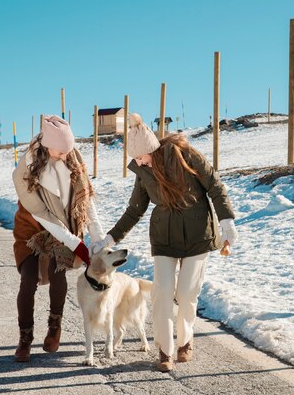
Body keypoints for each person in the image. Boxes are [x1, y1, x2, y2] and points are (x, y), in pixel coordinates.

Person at [90, 113, 238, 372]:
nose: (138, 162)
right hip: (164, 238)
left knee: (186, 294)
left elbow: (214, 186)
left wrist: (227, 222)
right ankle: (165, 350)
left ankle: (185, 341)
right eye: (135, 159)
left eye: (141, 157)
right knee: (162, 293)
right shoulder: (143, 171)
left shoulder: (186, 156)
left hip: (197, 236)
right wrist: (111, 237)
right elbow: (135, 210)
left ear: (152, 150)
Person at [12, 115, 104, 362]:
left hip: (65, 223)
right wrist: (77, 244)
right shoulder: (25, 169)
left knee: (57, 270)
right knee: (29, 278)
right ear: (47, 146)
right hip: (32, 225)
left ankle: (55, 326)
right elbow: (43, 216)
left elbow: (85, 202)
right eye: (61, 152)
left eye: (68, 150)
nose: (66, 155)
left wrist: (99, 240)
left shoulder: (71, 155)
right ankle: (25, 338)